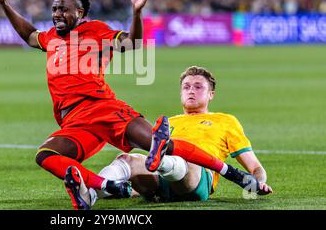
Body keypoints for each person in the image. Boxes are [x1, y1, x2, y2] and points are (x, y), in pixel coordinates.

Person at [0, 0, 260, 210]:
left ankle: (230, 173)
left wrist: (137, 12)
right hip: (74, 120)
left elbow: (132, 44)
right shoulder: (50, 37)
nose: (57, 14)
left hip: (102, 107)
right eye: (55, 9)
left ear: (81, 13)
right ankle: (103, 186)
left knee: (160, 145)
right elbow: (29, 34)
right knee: (46, 155)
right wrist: (4, 4)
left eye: (64, 9)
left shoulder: (95, 31)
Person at [98, 66, 273, 203]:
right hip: (162, 179)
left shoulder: (226, 121)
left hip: (198, 177)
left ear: (211, 94)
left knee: (187, 160)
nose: (191, 91)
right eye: (186, 87)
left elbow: (256, 168)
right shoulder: (169, 122)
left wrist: (259, 182)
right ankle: (93, 189)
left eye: (198, 87)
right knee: (126, 159)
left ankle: (163, 163)